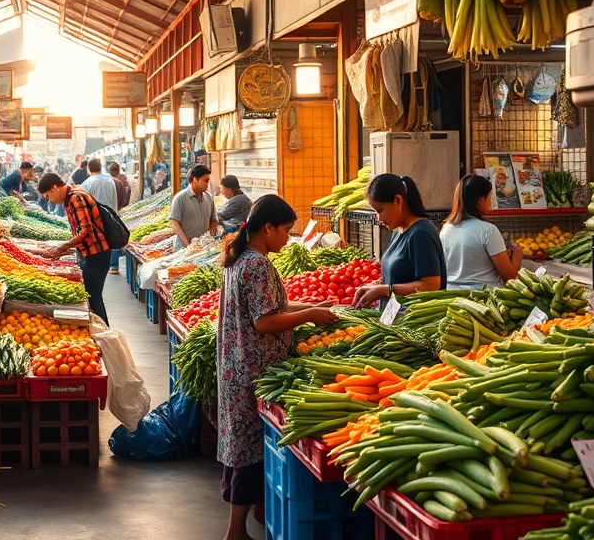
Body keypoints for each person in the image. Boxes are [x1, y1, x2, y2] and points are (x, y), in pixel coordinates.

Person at [216, 195, 338, 539]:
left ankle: (257, 511)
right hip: (251, 368)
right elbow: (265, 322)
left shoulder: (241, 257)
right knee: (249, 450)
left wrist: (312, 305)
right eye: (286, 230)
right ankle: (235, 531)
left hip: (235, 364)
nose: (288, 237)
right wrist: (311, 315)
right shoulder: (257, 264)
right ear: (267, 228)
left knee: (243, 446)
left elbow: (271, 305)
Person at [353, 174, 448, 307]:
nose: (378, 218)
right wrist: (374, 288)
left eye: (380, 210)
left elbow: (431, 285)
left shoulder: (421, 233)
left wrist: (386, 290)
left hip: (414, 322)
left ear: (398, 200)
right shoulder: (399, 231)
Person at [37, 173, 112, 324]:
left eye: (47, 196)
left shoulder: (75, 198)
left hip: (96, 252)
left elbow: (85, 230)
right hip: (91, 252)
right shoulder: (72, 195)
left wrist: (63, 246)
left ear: (54, 188)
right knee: (92, 295)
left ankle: (104, 332)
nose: (48, 200)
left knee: (93, 296)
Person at [441, 175, 524, 290]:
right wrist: (517, 254)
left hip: (451, 297)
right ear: (481, 200)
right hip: (481, 299)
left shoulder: (446, 229)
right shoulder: (488, 231)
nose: (491, 202)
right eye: (491, 197)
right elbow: (510, 278)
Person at [169, 164, 217, 251]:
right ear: (195, 180)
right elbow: (174, 223)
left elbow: (214, 220)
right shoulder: (180, 198)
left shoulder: (209, 198)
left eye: (208, 181)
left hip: (203, 249)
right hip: (183, 250)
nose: (207, 184)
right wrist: (188, 245)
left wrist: (211, 236)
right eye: (205, 181)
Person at [107, 161, 131, 275]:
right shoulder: (124, 181)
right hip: (122, 211)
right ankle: (114, 264)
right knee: (117, 235)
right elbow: (125, 197)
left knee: (113, 236)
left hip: (114, 212)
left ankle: (114, 265)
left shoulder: (113, 182)